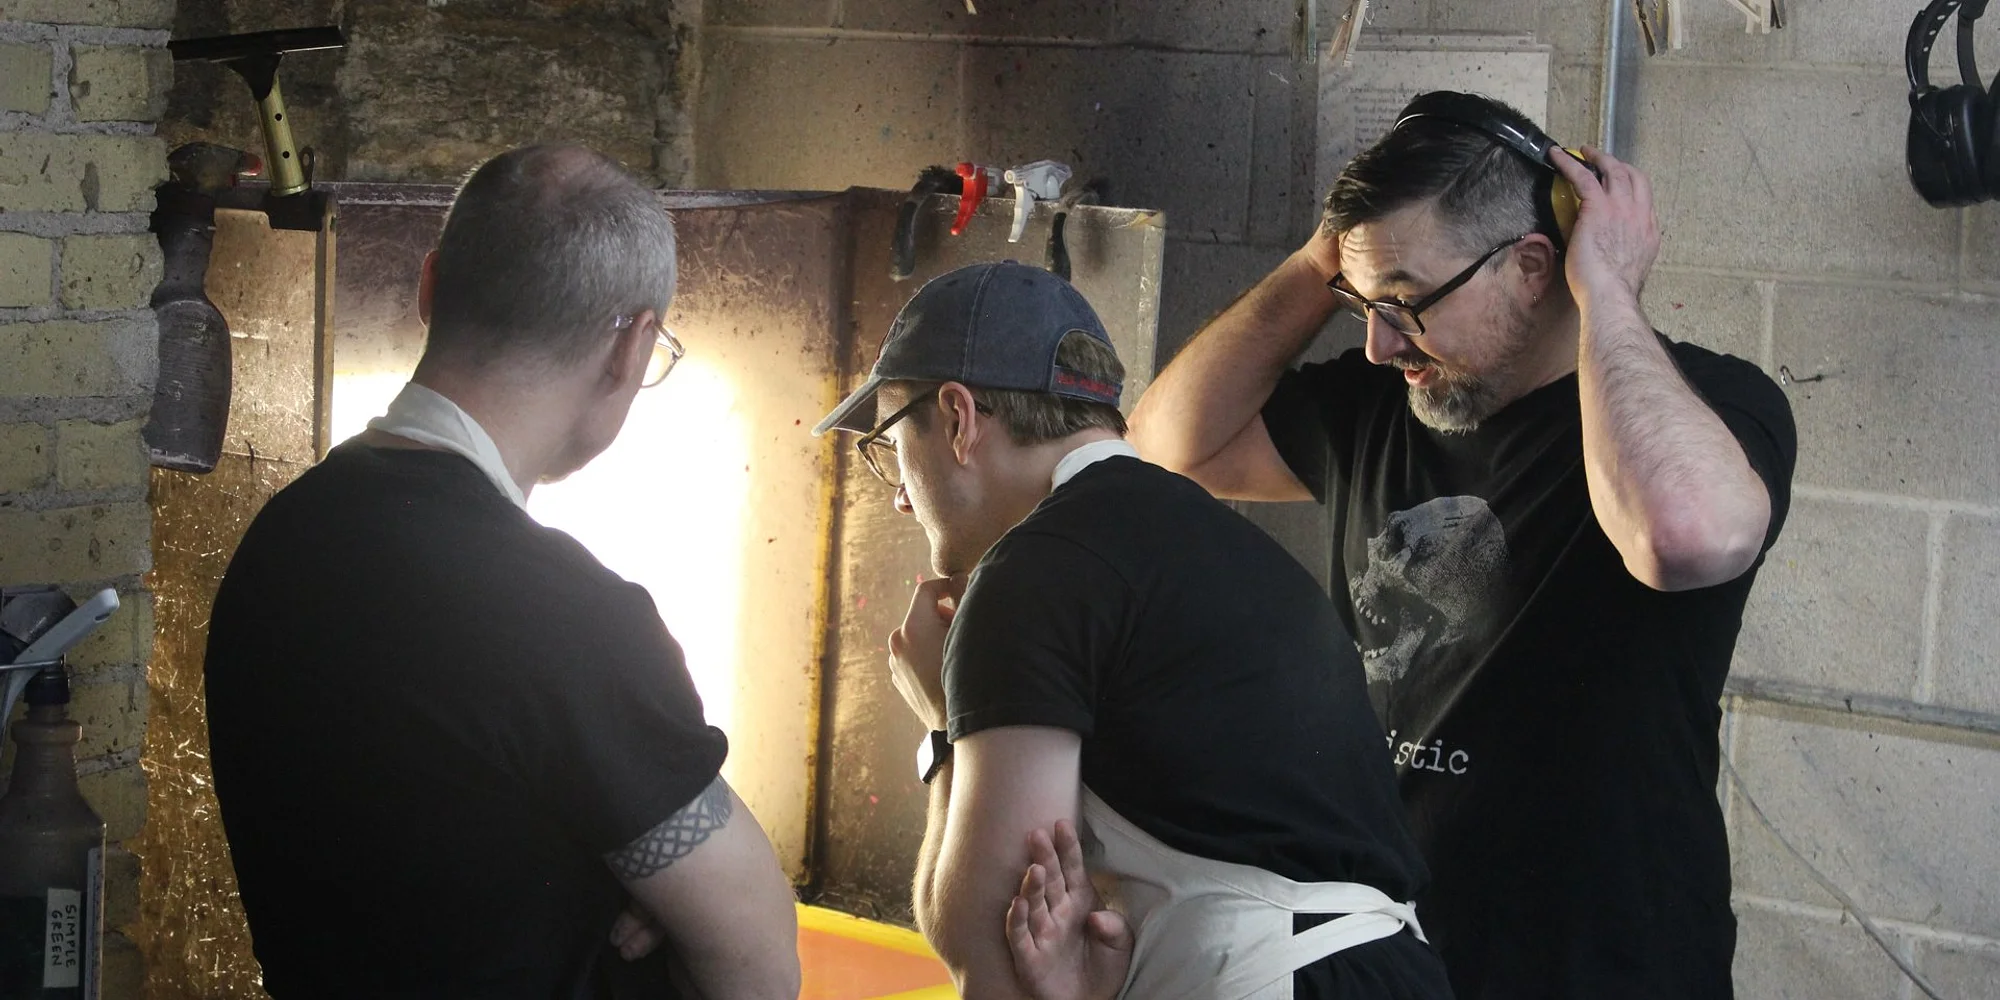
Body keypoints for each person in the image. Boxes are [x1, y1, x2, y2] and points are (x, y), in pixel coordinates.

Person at [1127, 91, 1797, 998]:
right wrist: (1326, 257)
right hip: (1388, 953)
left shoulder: (1713, 406)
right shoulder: (1381, 404)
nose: (1377, 345)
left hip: (1602, 971)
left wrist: (1606, 284)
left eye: (1405, 303)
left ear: (1532, 266)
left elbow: (1680, 538)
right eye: (1360, 304)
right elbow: (1169, 447)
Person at [204, 144, 800, 1000]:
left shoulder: (280, 542)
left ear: (430, 287)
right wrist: (656, 895)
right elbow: (759, 963)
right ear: (632, 348)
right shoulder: (565, 614)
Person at [812, 260, 1452, 1000]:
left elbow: (989, 959)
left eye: (890, 445)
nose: (899, 497)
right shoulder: (1210, 536)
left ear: (958, 419)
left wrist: (942, 725)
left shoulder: (1033, 569)